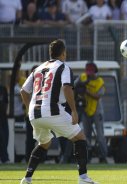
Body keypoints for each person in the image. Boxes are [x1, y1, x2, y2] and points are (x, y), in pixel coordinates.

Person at [20, 39, 97, 184]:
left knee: (44, 144)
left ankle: (27, 178)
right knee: (80, 138)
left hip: (34, 114)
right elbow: (67, 88)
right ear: (63, 53)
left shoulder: (38, 68)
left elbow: (23, 91)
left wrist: (29, 108)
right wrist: (74, 111)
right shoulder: (63, 67)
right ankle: (83, 178)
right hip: (53, 110)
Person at [74, 62, 108, 164]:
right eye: (87, 72)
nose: (89, 74)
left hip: (97, 111)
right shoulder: (82, 77)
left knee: (100, 135)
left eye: (91, 72)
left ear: (95, 71)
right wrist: (79, 89)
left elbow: (98, 96)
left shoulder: (100, 81)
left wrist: (86, 91)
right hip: (85, 109)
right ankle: (87, 156)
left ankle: (103, 156)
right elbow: (74, 86)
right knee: (86, 135)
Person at [0, 84, 9, 163]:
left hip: (3, 117)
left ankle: (4, 158)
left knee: (5, 137)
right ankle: (4, 158)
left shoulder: (3, 88)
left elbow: (6, 102)